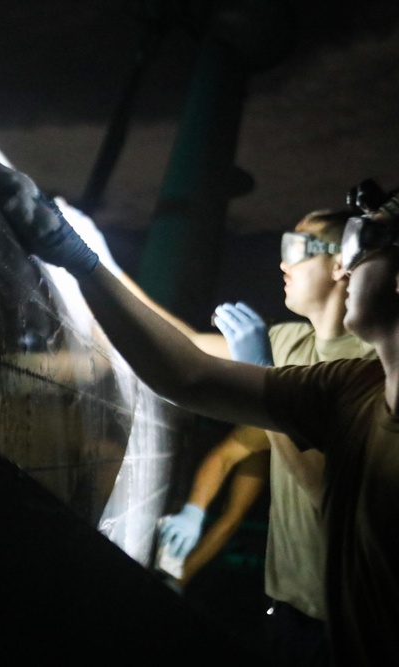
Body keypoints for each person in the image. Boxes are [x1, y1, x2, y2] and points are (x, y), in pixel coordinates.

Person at [0, 159, 399, 665]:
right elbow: (186, 372)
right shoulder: (353, 387)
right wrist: (75, 256)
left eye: (361, 245)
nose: (345, 267)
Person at [158, 209, 374, 666]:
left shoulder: (372, 366)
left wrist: (263, 381)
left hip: (348, 627)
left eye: (296, 249)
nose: (283, 263)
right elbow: (184, 346)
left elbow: (330, 489)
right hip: (285, 608)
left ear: (341, 265)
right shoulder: (290, 341)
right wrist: (90, 263)